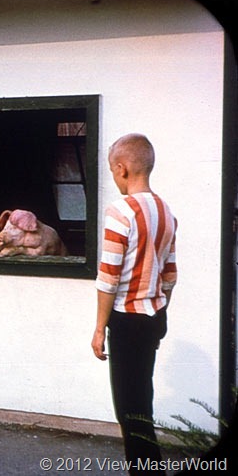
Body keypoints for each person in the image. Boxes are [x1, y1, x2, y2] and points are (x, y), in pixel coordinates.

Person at [92, 134, 177, 473]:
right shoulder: (166, 211)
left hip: (125, 319)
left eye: (114, 173)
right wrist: (161, 310)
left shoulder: (120, 211)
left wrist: (99, 328)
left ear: (121, 168)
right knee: (143, 402)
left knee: (129, 410)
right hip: (155, 315)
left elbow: (108, 276)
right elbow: (170, 275)